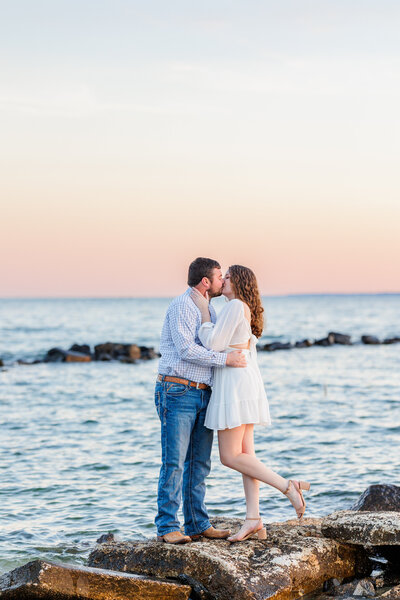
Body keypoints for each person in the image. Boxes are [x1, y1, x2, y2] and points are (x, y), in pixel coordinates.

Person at [191, 264, 310, 543]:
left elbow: (213, 344)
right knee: (246, 456)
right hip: (244, 382)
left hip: (234, 384)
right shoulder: (242, 308)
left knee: (230, 456)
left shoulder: (234, 307)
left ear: (239, 282)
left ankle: (287, 486)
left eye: (228, 277)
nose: (224, 281)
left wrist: (205, 316)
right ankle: (254, 520)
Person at [155, 257, 247, 544]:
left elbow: (215, 341)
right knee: (174, 462)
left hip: (204, 392)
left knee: (200, 463)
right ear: (205, 282)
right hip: (178, 390)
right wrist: (226, 359)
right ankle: (167, 526)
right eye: (220, 276)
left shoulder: (212, 309)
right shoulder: (183, 305)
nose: (223, 281)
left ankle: (196, 523)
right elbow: (185, 350)